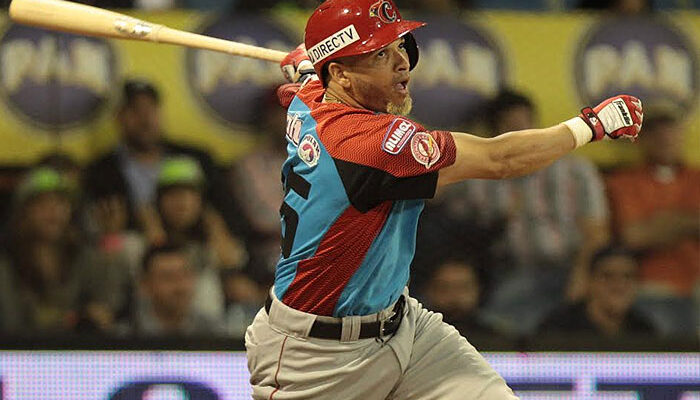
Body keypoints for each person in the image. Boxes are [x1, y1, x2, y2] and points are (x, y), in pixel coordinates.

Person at [244, 0, 643, 398]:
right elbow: (500, 159)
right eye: (380, 54)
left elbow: (312, 79)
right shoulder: (369, 144)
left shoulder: (311, 98)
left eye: (399, 46)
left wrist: (310, 70)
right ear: (341, 74)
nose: (402, 63)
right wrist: (591, 125)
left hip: (400, 325)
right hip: (318, 357)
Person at [427, 89, 611, 334]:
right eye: (510, 127)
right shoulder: (478, 177)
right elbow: (432, 195)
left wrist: (583, 277)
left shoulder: (575, 171)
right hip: (510, 272)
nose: (522, 134)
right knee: (499, 324)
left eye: (525, 124)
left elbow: (596, 234)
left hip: (570, 267)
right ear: (495, 133)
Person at [83, 79, 229, 243]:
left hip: (195, 247)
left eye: (151, 109)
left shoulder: (196, 158)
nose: (145, 119)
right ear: (119, 117)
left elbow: (228, 214)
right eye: (135, 110)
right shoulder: (101, 171)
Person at [605, 106, 699, 337]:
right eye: (655, 132)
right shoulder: (623, 182)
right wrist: (689, 222)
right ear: (641, 139)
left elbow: (646, 232)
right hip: (649, 285)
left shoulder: (696, 178)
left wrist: (660, 223)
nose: (664, 138)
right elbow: (634, 237)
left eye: (670, 130)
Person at [0, 168, 125, 334]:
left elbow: (109, 306)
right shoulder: (7, 265)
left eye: (60, 203)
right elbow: (11, 325)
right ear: (24, 212)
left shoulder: (85, 257)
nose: (53, 211)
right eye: (42, 204)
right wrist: (65, 322)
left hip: (77, 348)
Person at [537, 246, 657, 338]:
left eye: (628, 277)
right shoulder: (558, 329)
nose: (619, 285)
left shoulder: (644, 331)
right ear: (590, 282)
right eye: (608, 276)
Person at [117, 243, 224, 337]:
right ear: (145, 285)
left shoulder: (213, 332)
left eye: (185, 275)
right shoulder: (125, 335)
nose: (180, 287)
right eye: (168, 277)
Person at [422, 258, 497, 337]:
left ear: (478, 290)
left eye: (463, 288)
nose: (454, 295)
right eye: (444, 288)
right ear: (429, 291)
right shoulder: (417, 337)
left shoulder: (496, 339)